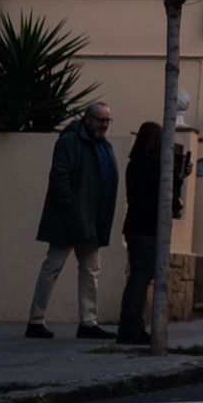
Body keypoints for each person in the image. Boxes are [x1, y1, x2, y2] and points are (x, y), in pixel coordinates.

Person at [27, 101, 117, 340]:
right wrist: (71, 208)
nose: (104, 124)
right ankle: (36, 320)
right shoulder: (70, 142)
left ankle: (88, 322)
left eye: (107, 120)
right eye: (100, 119)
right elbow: (60, 176)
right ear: (87, 118)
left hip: (91, 220)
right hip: (70, 218)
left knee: (90, 270)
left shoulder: (102, 146)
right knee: (53, 267)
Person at [117, 122, 169, 346]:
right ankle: (131, 328)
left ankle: (133, 325)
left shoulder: (134, 164)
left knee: (137, 277)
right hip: (148, 228)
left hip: (135, 227)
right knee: (141, 279)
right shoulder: (154, 165)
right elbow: (163, 195)